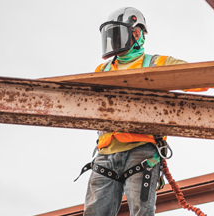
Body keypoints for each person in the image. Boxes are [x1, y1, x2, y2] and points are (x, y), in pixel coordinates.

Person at [83, 7, 188, 216]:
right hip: (105, 154)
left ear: (136, 33)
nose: (113, 41)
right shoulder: (102, 70)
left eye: (117, 34)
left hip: (141, 151)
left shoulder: (157, 64)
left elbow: (199, 76)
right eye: (110, 35)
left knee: (142, 212)